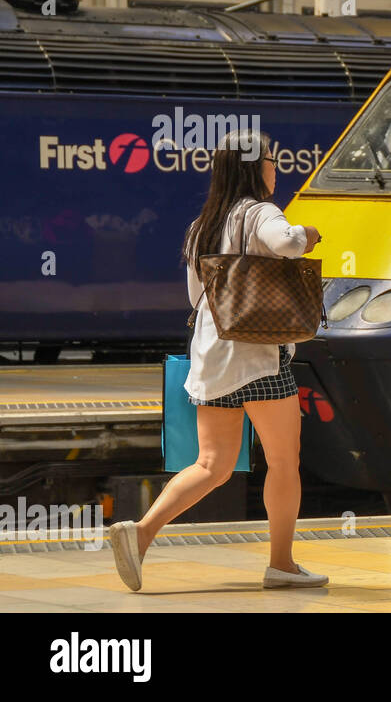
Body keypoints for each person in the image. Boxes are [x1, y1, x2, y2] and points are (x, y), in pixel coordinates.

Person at [108, 130, 325, 592]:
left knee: (212, 464)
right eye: (271, 159)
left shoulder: (203, 224)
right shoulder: (262, 212)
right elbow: (286, 243)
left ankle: (140, 533)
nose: (275, 167)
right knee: (285, 462)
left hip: (213, 355)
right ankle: (282, 563)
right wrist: (308, 234)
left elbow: (196, 296)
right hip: (261, 357)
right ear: (253, 167)